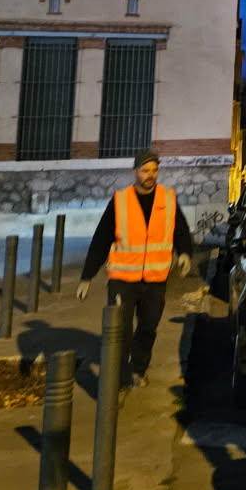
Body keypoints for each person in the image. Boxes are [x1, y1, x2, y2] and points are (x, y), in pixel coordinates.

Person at [76, 151, 193, 387]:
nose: (151, 175)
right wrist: (87, 276)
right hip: (122, 279)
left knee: (148, 328)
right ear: (135, 172)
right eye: (145, 170)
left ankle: (138, 369)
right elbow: (101, 239)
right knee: (121, 332)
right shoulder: (120, 201)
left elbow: (180, 230)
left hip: (155, 280)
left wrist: (185, 253)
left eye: (154, 170)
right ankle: (119, 379)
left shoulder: (168, 198)